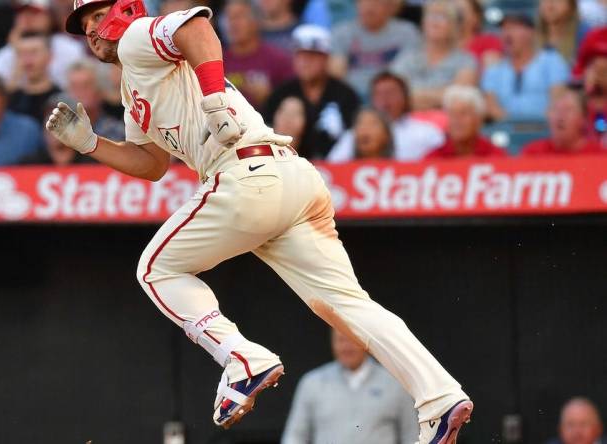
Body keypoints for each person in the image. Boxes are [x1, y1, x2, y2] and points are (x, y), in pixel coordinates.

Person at [49, 0, 473, 440]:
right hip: (290, 178)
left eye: (98, 16)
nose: (93, 31)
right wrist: (91, 144)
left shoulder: (138, 37)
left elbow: (197, 28)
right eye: (84, 25)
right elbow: (152, 164)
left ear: (124, 10)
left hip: (245, 173)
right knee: (348, 305)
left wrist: (213, 96)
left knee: (155, 270)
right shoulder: (132, 85)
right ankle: (439, 396)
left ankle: (242, 358)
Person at [281, 329, 418, 444]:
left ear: (365, 342)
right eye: (340, 340)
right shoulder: (312, 383)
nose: (347, 347)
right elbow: (295, 436)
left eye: (352, 340)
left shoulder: (396, 383)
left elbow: (412, 436)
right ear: (332, 343)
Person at [264, 25, 361, 159]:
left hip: (337, 169)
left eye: (312, 57)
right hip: (288, 165)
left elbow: (354, 137)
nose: (305, 62)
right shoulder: (281, 94)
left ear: (326, 59)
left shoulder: (345, 95)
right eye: (300, 56)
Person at [327, 71, 444, 162]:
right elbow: (333, 170)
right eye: (379, 94)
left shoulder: (426, 132)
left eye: (391, 93)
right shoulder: (354, 134)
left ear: (405, 97)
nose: (385, 99)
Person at [481, 13, 571, 121]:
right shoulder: (495, 68)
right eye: (504, 28)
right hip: (505, 129)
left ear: (531, 32)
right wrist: (513, 126)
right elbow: (490, 106)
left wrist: (537, 126)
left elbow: (557, 100)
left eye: (513, 27)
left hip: (545, 128)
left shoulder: (551, 61)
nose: (507, 33)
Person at [390, 0, 477, 110]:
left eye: (442, 17)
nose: (435, 22)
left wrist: (412, 95)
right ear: (423, 23)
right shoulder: (408, 56)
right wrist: (441, 95)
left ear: (454, 26)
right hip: (408, 119)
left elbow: (459, 97)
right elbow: (392, 91)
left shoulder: (465, 60)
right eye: (431, 16)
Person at [330, 0, 421, 97]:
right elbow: (337, 74)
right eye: (364, 2)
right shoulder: (341, 32)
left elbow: (408, 73)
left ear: (388, 6)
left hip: (392, 96)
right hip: (352, 96)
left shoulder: (407, 33)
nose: (369, 8)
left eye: (376, 2)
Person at [0, 0, 86, 90]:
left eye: (34, 13)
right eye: (22, 13)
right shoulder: (4, 55)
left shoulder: (69, 48)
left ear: (49, 17)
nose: (27, 19)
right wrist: (17, 54)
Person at [222, 0, 293, 107]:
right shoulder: (218, 60)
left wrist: (269, 97)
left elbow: (292, 101)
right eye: (229, 18)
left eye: (239, 17)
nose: (233, 24)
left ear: (256, 22)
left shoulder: (278, 60)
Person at [426, 85, 506, 159]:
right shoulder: (434, 158)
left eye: (463, 113)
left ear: (479, 119)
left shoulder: (496, 156)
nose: (457, 120)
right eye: (452, 114)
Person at [522, 88, 604, 155]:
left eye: (568, 110)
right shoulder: (532, 153)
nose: (560, 116)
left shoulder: (599, 154)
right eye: (555, 109)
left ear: (583, 119)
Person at [8, 32, 62, 123]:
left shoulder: (61, 101)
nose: (28, 61)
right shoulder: (10, 101)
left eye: (34, 52)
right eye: (22, 53)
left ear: (49, 56)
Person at [66, 61, 125, 141]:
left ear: (99, 89)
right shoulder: (62, 124)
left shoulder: (118, 121)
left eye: (86, 85)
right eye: (74, 86)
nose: (80, 92)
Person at [573, 27, 607, 144]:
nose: (599, 75)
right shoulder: (572, 106)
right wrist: (587, 93)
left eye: (605, 70)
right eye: (593, 67)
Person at [330, 107, 395, 161]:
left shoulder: (402, 170)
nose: (364, 129)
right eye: (360, 124)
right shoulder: (340, 169)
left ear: (386, 135)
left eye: (373, 124)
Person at [537, 0, 590, 65]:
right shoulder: (531, 36)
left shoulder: (585, 36)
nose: (549, 5)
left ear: (571, 5)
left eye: (557, 1)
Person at [456, 0, 503, 70]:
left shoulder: (489, 42)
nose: (456, 16)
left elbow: (491, 73)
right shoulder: (440, 43)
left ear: (476, 17)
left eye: (460, 12)